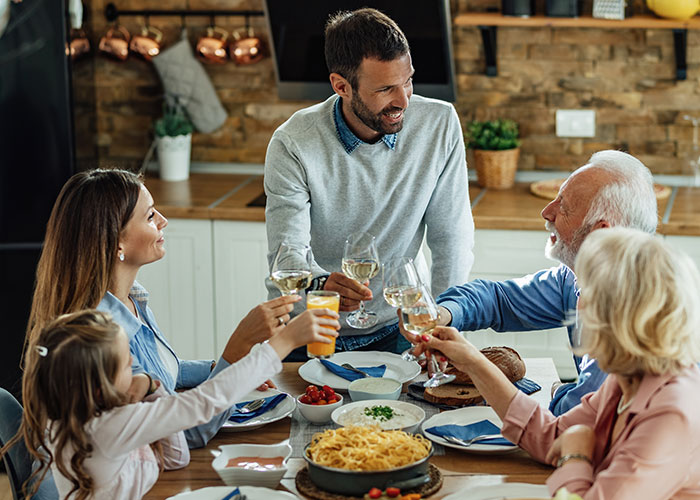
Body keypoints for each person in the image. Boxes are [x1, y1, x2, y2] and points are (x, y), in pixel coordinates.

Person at [26, 168, 313, 448]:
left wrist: (215, 369)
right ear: (116, 242)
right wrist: (237, 352)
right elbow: (186, 435)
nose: (163, 221)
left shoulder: (130, 300)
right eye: (150, 216)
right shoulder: (104, 332)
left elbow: (160, 373)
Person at [417, 228, 700, 498]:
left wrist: (575, 456)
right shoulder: (628, 378)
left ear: (621, 315)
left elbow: (567, 448)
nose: (577, 304)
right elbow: (551, 436)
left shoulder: (672, 413)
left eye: (585, 291)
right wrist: (473, 361)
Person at [264, 8, 474, 360]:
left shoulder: (439, 124)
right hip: (309, 331)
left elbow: (451, 239)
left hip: (399, 329)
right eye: (385, 88)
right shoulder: (293, 142)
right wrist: (318, 283)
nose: (404, 100)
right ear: (341, 86)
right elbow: (287, 256)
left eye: (407, 81)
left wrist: (442, 329)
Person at [416, 150, 658, 415]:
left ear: (600, 234)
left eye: (563, 207)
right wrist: (445, 313)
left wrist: (560, 389)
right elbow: (499, 300)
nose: (546, 212)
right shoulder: (578, 278)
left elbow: (576, 415)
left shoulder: (632, 316)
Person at [5, 308, 336, 500]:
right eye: (127, 361)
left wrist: (151, 386)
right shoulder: (109, 427)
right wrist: (283, 343)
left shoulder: (87, 415)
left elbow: (177, 458)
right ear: (100, 383)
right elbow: (206, 401)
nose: (136, 362)